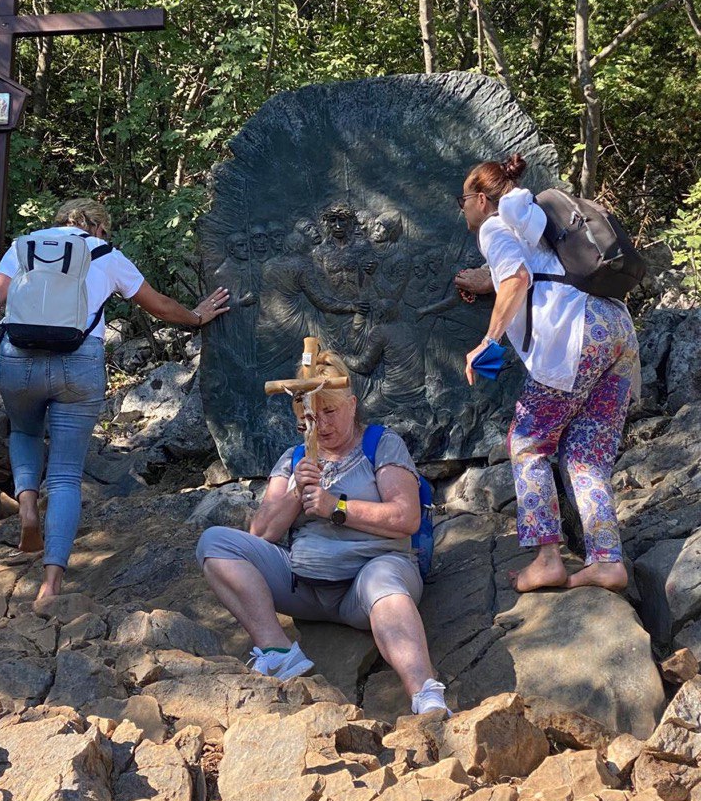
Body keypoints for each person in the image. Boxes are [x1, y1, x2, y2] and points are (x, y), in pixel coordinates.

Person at [0, 198, 230, 608]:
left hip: (18, 360)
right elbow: (156, 303)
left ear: (60, 220)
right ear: (97, 226)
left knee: (24, 431)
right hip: (78, 364)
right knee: (65, 475)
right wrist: (197, 316)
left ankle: (27, 507)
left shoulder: (24, 246)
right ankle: (51, 585)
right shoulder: (104, 252)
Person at [196, 349, 449, 715]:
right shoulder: (294, 458)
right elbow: (261, 533)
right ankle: (278, 652)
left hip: (368, 576)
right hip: (304, 587)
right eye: (310, 418)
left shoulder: (381, 443)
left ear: (352, 405)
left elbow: (406, 517)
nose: (322, 425)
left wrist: (336, 508)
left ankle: (426, 694)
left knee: (384, 582)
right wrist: (296, 492)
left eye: (330, 412)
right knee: (215, 544)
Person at [456, 155, 639, 594]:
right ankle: (607, 562)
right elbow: (534, 271)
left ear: (480, 199)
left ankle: (547, 560)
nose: (462, 211)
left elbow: (517, 279)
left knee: (527, 443)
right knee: (585, 453)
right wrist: (488, 282)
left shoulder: (493, 227)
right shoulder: (531, 217)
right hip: (614, 328)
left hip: (574, 338)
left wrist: (488, 342)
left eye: (462, 201)